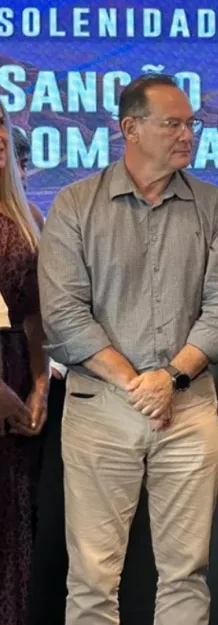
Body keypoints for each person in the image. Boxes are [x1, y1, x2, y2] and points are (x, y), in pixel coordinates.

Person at [38, 74, 218, 624]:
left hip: (189, 404)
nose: (188, 134)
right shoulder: (75, 205)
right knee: (92, 577)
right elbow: (63, 315)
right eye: (173, 124)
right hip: (100, 406)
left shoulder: (215, 206)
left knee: (186, 573)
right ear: (130, 128)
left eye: (191, 124)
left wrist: (170, 378)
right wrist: (138, 384)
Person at [0, 99, 48, 625]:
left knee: (15, 532)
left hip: (17, 377)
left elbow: (36, 317)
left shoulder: (28, 217)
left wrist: (39, 386)